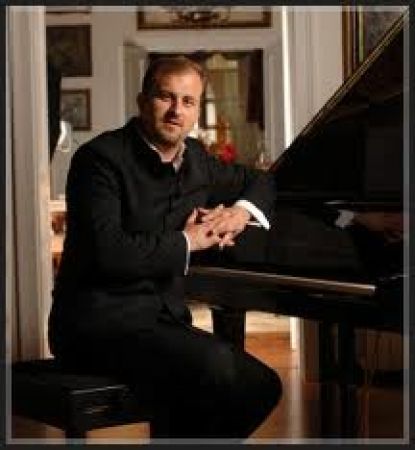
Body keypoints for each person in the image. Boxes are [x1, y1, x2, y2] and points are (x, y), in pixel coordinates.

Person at [48, 56, 282, 440]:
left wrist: (239, 213)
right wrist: (190, 240)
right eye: (165, 97)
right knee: (218, 369)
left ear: (197, 110)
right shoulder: (99, 160)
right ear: (143, 102)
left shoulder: (198, 160)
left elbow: (262, 181)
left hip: (163, 324)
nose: (177, 111)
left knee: (263, 385)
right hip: (97, 325)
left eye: (188, 101)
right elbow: (110, 253)